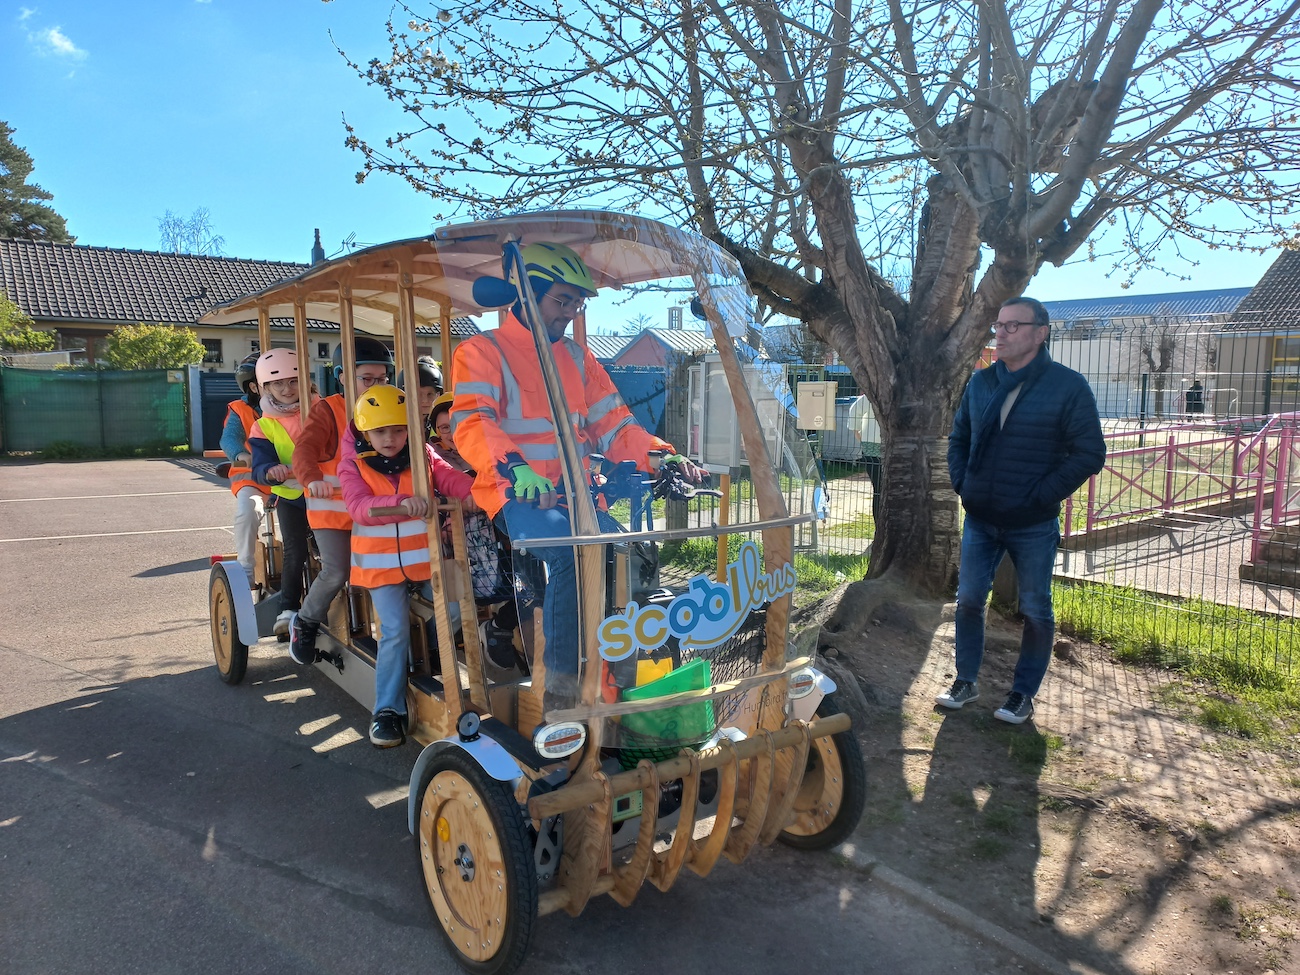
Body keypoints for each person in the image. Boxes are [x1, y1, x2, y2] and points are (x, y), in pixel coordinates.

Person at [450, 241, 702, 710]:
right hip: (517, 496)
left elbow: (616, 425)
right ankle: (562, 695)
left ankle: (623, 676)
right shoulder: (482, 351)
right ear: (527, 295)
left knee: (630, 557)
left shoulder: (579, 358)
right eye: (561, 300)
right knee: (570, 557)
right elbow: (472, 422)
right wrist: (514, 466)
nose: (569, 312)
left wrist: (661, 457)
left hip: (581, 497)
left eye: (576, 303)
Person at [938, 296, 1105, 725]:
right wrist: (963, 483)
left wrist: (1039, 495)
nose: (1001, 333)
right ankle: (965, 680)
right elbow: (959, 440)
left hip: (1032, 522)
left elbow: (1089, 453)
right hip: (980, 516)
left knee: (1035, 609)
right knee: (969, 601)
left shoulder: (1068, 387)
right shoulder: (981, 383)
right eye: (998, 325)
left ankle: (1022, 693)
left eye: (1013, 326)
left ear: (1040, 333)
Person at [337, 384, 474, 747]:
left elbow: (451, 478)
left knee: (459, 608)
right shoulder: (352, 463)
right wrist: (403, 501)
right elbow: (358, 506)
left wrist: (480, 493)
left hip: (424, 560)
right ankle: (386, 711)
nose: (390, 438)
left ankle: (426, 649)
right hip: (381, 568)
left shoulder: (424, 453)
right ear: (365, 432)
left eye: (398, 429)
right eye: (381, 431)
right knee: (394, 630)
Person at [287, 337, 394, 666]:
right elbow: (303, 451)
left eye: (382, 379)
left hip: (372, 512)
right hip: (331, 512)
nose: (375, 386)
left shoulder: (389, 406)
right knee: (337, 571)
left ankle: (390, 636)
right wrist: (312, 479)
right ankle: (304, 622)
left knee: (389, 571)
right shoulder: (328, 409)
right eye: (367, 379)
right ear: (343, 376)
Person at [247, 349, 318, 638]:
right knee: (295, 550)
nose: (287, 389)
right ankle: (287, 607)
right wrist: (269, 470)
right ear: (265, 388)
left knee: (336, 550)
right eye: (278, 384)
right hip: (291, 496)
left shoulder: (320, 411)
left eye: (293, 381)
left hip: (325, 492)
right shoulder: (263, 425)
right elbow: (260, 464)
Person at [219, 352, 269, 580]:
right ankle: (246, 568)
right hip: (253, 476)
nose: (283, 388)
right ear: (253, 387)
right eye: (270, 382)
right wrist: (239, 453)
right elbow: (229, 437)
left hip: (292, 475)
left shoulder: (300, 406)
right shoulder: (239, 409)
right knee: (248, 511)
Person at [397, 355, 443, 441]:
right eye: (418, 394)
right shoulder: (396, 426)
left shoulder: (441, 424)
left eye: (430, 394)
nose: (425, 401)